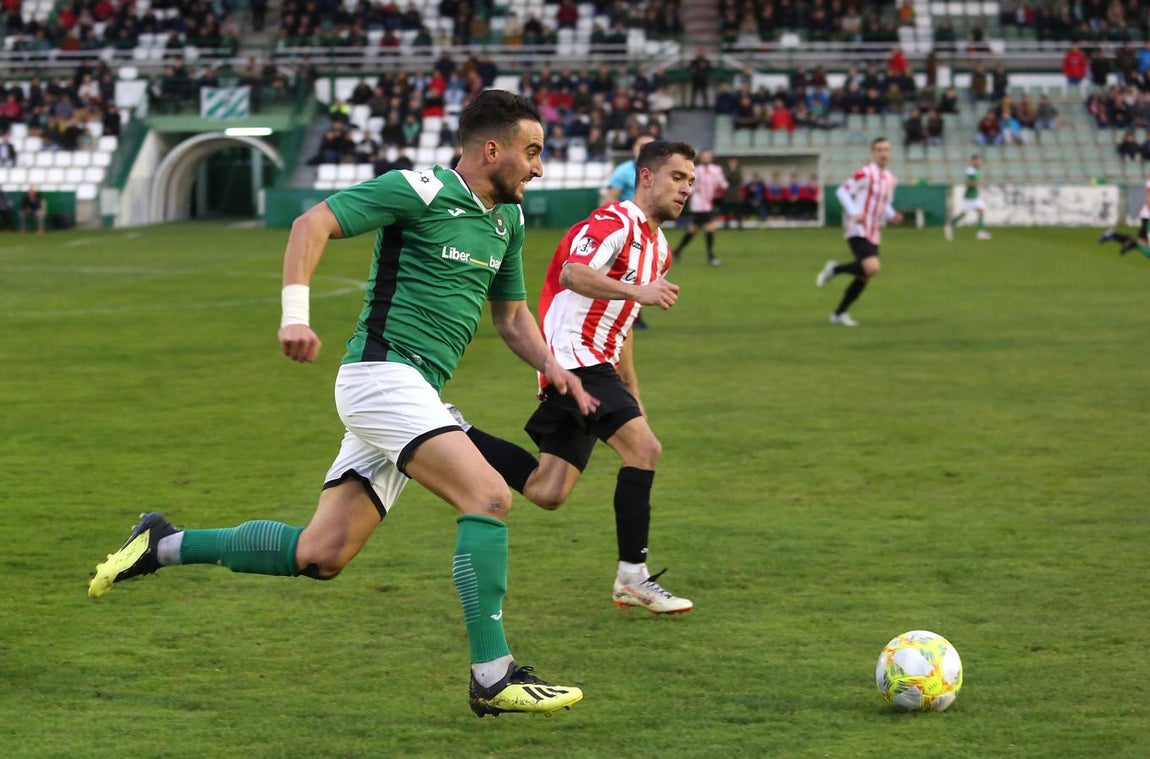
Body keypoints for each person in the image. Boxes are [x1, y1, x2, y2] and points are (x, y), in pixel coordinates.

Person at [86, 90, 596, 719]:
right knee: (488, 496)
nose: (538, 167)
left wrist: (553, 367)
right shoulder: (420, 190)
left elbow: (512, 316)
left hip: (414, 393)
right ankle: (492, 676)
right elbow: (312, 223)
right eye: (532, 152)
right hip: (381, 378)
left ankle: (160, 543)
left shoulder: (506, 222)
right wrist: (294, 316)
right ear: (492, 150)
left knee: (322, 554)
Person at [447, 140, 697, 615]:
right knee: (645, 450)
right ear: (646, 177)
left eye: (690, 181)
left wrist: (632, 388)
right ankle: (633, 577)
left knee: (547, 491)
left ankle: (454, 429)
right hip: (573, 358)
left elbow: (623, 324)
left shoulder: (660, 248)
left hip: (599, 364)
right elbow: (572, 274)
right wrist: (638, 291)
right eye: (677, 177)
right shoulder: (611, 221)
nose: (686, 189)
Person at [815, 137, 902, 327]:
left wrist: (892, 215)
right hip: (858, 228)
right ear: (872, 153)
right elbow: (842, 191)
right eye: (879, 150)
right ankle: (835, 270)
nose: (883, 154)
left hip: (874, 230)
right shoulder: (865, 173)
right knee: (872, 267)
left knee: (865, 274)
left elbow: (885, 203)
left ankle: (838, 314)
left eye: (886, 150)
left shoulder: (890, 178)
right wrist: (854, 212)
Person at [604, 134, 655, 328]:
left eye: (649, 145)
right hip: (627, 228)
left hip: (649, 228)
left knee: (642, 273)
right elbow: (610, 197)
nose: (644, 149)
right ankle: (626, 316)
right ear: (633, 148)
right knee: (626, 271)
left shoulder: (659, 172)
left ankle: (632, 316)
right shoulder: (624, 171)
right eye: (641, 145)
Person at [672, 148, 727, 266]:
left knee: (693, 230)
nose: (706, 158)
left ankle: (676, 251)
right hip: (698, 205)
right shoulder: (695, 170)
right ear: (701, 158)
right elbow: (689, 185)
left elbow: (723, 184)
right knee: (710, 227)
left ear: (711, 157)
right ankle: (711, 257)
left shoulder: (716, 170)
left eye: (708, 156)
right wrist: (693, 190)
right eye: (704, 156)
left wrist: (721, 186)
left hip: (708, 204)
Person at [1098, 176, 1150, 260]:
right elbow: (1148, 199)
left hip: (1146, 217)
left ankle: (1117, 237)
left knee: (1144, 242)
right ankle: (1133, 243)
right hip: (1147, 217)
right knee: (1143, 242)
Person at [944, 154, 991, 241]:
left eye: (979, 161)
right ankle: (979, 233)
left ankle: (950, 226)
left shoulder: (977, 170)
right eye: (977, 161)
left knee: (972, 212)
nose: (979, 162)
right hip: (970, 196)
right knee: (977, 212)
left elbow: (975, 182)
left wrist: (978, 184)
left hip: (974, 196)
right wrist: (978, 184)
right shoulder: (970, 170)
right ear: (973, 161)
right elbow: (967, 183)